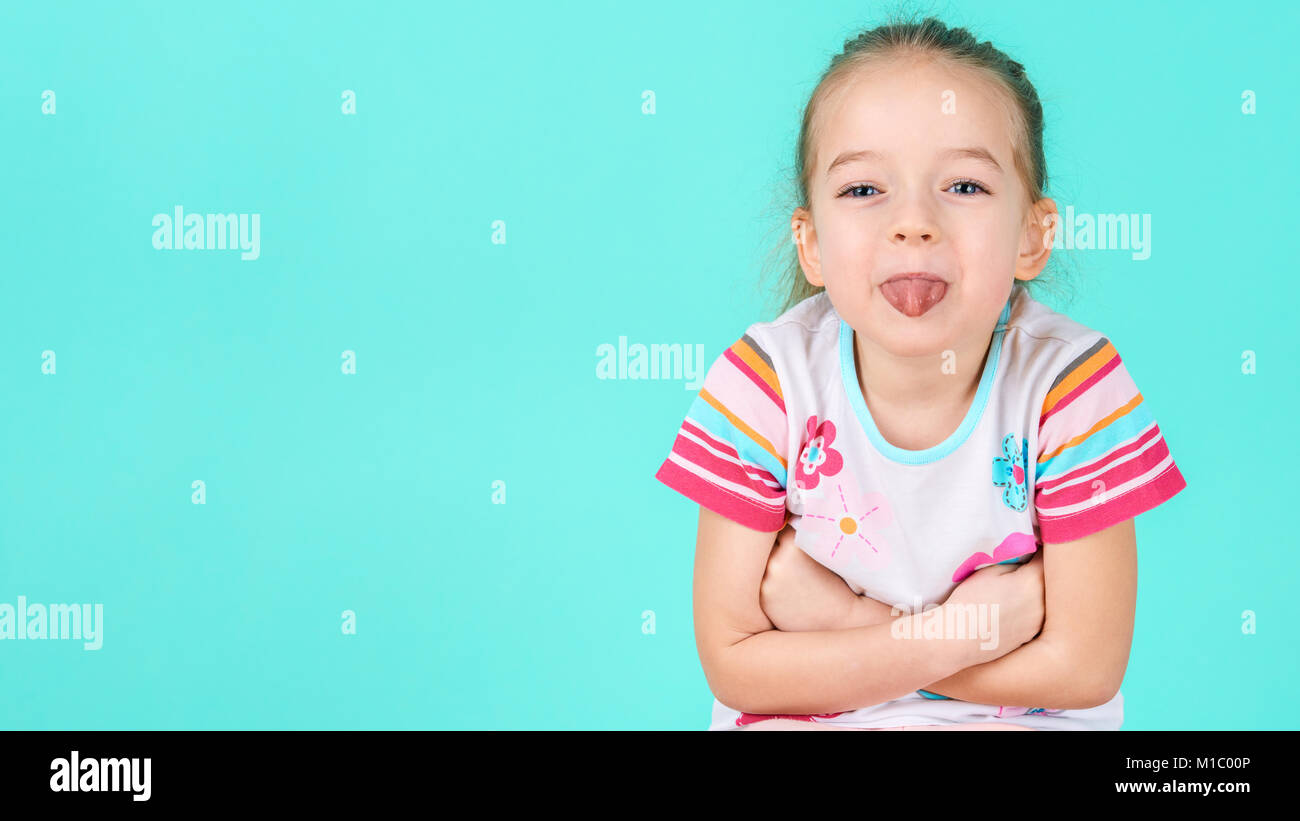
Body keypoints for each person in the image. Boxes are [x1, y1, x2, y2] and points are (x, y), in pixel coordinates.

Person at [653, 14, 1187, 730]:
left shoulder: (1070, 383)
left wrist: (847, 621)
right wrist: (962, 631)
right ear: (810, 244)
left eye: (964, 186)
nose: (914, 223)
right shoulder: (766, 380)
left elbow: (1084, 669)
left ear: (1033, 235)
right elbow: (735, 662)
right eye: (864, 190)